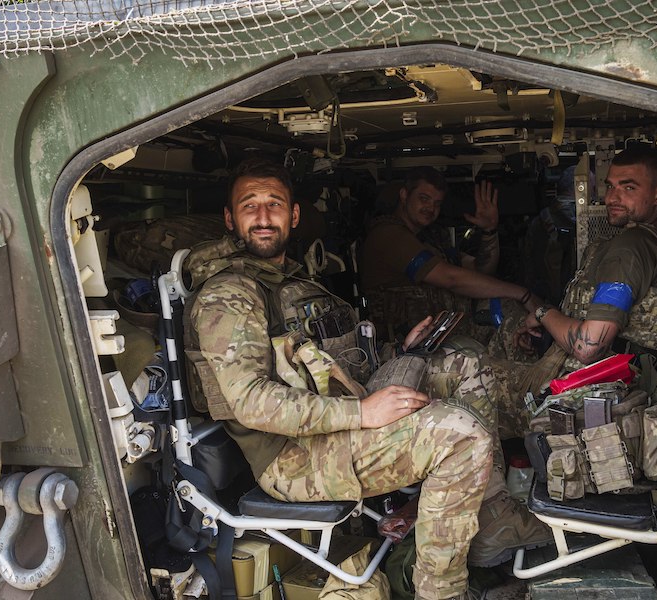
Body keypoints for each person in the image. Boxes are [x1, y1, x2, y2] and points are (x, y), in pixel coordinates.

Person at [185, 158, 548, 600]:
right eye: (249, 206)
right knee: (461, 436)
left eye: (274, 204)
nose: (263, 217)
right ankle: (440, 592)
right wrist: (363, 411)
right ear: (231, 218)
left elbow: (329, 368)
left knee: (464, 364)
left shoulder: (290, 280)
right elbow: (251, 402)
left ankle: (490, 521)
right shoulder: (230, 294)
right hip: (292, 458)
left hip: (335, 426)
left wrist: (400, 354)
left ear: (293, 215)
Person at [490, 145, 657, 432]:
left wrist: (543, 312)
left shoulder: (630, 249)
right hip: (621, 383)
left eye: (628, 188)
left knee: (464, 372)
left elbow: (587, 347)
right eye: (610, 186)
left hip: (587, 395)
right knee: (507, 327)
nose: (612, 198)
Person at [359, 167, 542, 344]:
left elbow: (481, 272)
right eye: (424, 199)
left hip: (441, 341)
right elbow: (451, 279)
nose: (431, 208)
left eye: (437, 203)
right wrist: (523, 294)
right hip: (405, 348)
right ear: (404, 195)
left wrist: (489, 231)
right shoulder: (389, 236)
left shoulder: (428, 239)